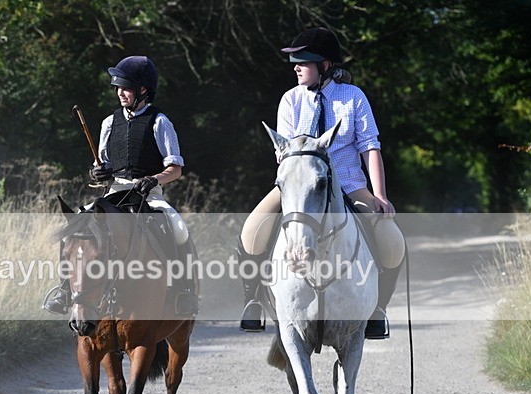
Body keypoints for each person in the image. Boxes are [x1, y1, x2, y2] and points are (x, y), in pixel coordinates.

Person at [237, 27, 405, 339]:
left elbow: (370, 146)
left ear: (325, 66)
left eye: (303, 61)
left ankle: (377, 309)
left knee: (393, 242)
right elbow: (284, 153)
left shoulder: (353, 98)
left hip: (349, 184)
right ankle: (254, 301)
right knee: (251, 230)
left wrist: (379, 194)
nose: (296, 66)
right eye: (294, 61)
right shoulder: (290, 100)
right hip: (300, 187)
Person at [44, 55, 199, 317]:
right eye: (117, 87)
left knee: (177, 227)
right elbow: (101, 167)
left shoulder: (160, 122)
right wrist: (97, 173)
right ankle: (64, 290)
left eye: (125, 87)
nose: (120, 93)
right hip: (114, 192)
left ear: (143, 90)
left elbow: (176, 169)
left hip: (148, 194)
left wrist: (153, 179)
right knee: (76, 226)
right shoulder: (108, 122)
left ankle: (183, 292)